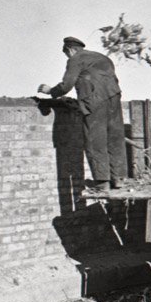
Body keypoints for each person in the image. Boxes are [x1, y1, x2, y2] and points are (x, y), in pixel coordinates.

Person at [38, 37, 126, 190]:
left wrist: (50, 91)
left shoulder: (75, 59)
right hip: (114, 98)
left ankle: (102, 183)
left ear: (70, 50)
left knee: (95, 140)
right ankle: (118, 179)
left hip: (94, 102)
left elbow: (66, 85)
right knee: (115, 138)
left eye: (67, 54)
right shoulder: (103, 58)